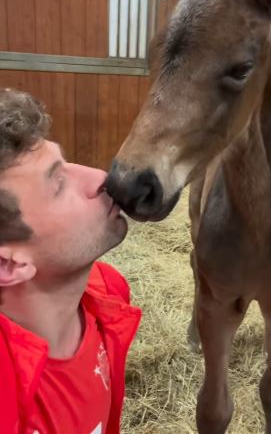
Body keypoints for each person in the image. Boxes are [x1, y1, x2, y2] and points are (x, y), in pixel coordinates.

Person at [0, 88, 141, 434]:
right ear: (9, 265)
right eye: (59, 184)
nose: (101, 178)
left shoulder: (109, 294)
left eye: (67, 163)